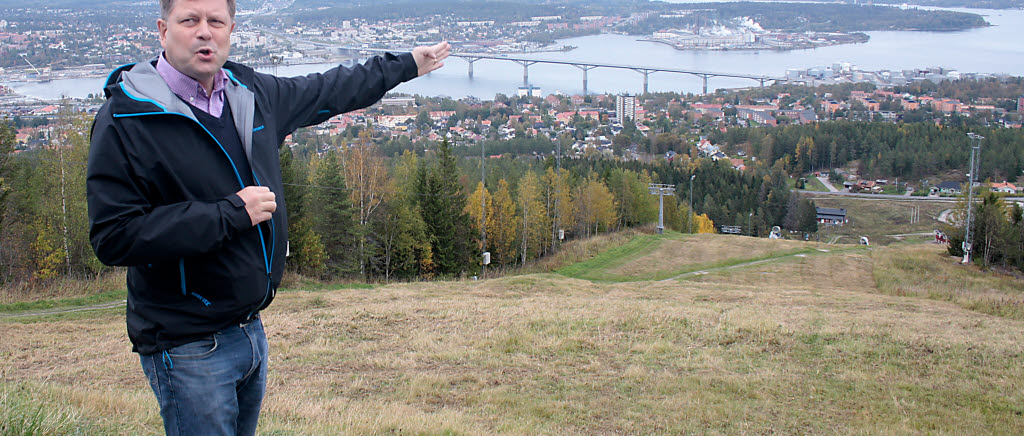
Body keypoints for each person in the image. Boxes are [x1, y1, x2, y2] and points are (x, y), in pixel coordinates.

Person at [86, 0, 449, 433]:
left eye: (216, 21)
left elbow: (329, 89)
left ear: (231, 29)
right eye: (190, 21)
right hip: (186, 343)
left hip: (250, 329)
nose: (205, 32)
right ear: (164, 30)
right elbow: (114, 236)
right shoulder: (127, 118)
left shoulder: (250, 93)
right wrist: (231, 213)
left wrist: (406, 64)